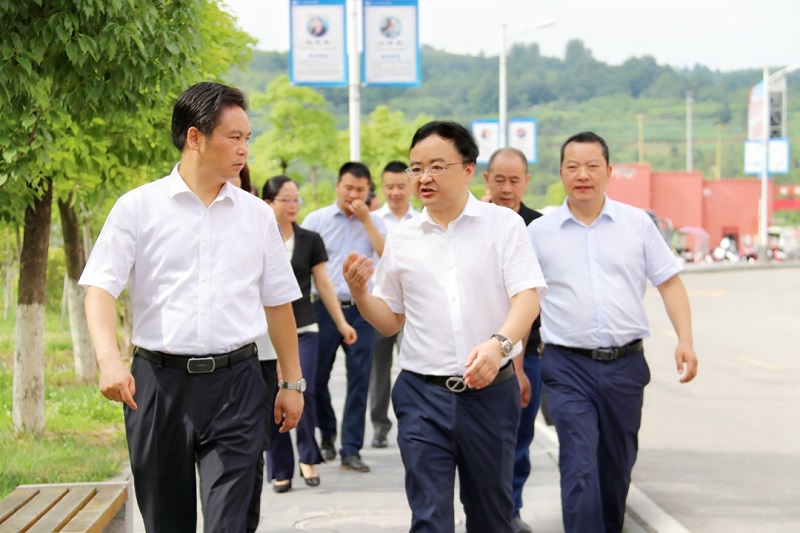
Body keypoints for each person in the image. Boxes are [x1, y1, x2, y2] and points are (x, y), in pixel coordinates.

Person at [79, 81, 305, 533]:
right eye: (234, 137)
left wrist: (292, 382)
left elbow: (278, 303)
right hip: (157, 387)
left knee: (230, 522)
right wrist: (108, 360)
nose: (244, 149)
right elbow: (100, 288)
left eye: (247, 138)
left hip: (238, 385)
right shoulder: (137, 208)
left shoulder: (256, 215)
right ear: (195, 137)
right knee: (167, 522)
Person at [342, 121, 547, 532]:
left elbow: (528, 298)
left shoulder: (503, 225)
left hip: (490, 395)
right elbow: (390, 321)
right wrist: (361, 294)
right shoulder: (403, 238)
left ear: (468, 169)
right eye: (416, 168)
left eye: (436, 166)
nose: (424, 178)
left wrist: (498, 345)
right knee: (429, 518)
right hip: (421, 396)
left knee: (491, 517)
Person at [527, 131, 699, 533]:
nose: (582, 175)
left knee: (616, 468)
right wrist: (515, 363)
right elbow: (523, 300)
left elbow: (669, 282)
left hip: (625, 365)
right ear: (561, 172)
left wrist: (685, 340)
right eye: (573, 166)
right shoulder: (540, 232)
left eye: (592, 166)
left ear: (608, 171)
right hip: (566, 366)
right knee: (578, 465)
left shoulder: (636, 224)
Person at [261, 175, 358, 495]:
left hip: (304, 326)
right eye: (285, 199)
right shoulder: (256, 237)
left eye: (296, 199)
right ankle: (280, 468)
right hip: (264, 332)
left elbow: (324, 285)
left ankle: (308, 455)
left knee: (304, 388)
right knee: (272, 395)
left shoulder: (310, 239)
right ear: (268, 203)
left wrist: (342, 323)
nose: (293, 205)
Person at [301, 161, 387, 472]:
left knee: (360, 379)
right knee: (316, 377)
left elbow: (387, 255)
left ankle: (351, 449)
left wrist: (367, 221)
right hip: (323, 308)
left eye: (360, 190)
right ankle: (327, 433)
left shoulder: (375, 222)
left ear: (368, 192)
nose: (353, 194)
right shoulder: (317, 220)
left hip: (362, 308)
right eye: (348, 188)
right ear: (337, 186)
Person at [482, 147, 542, 533]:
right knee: (485, 442)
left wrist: (519, 367)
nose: (507, 188)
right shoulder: (473, 222)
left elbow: (530, 299)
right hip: (480, 352)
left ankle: (511, 509)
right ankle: (489, 510)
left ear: (526, 182)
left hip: (529, 352)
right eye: (499, 179)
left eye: (514, 180)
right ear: (485, 179)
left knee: (520, 437)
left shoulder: (538, 227)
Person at [368, 160, 418, 448]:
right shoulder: (373, 220)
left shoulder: (422, 220)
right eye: (390, 187)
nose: (395, 192)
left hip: (413, 309)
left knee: (413, 366)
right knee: (379, 370)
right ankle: (379, 425)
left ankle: (413, 421)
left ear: (410, 185)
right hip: (381, 305)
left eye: (401, 186)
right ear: (382, 187)